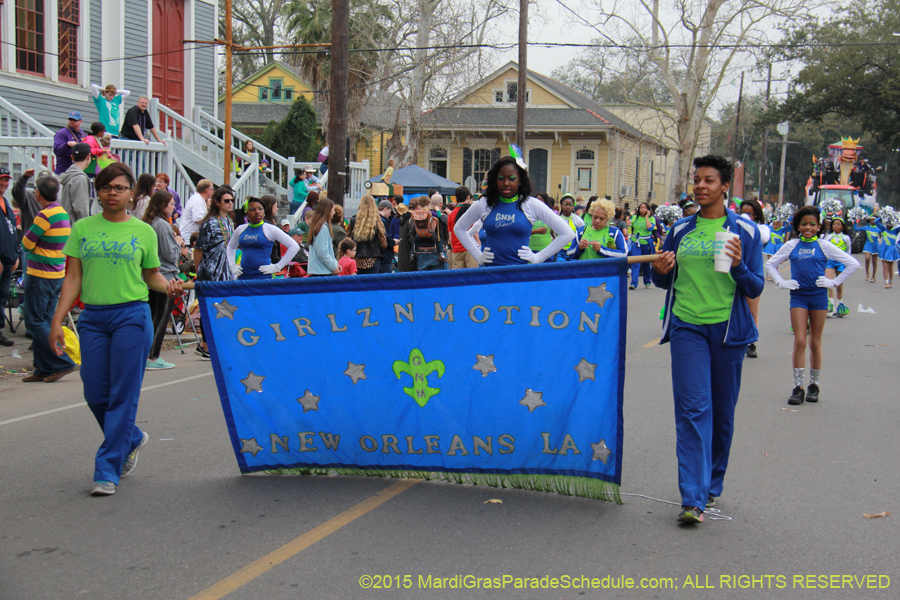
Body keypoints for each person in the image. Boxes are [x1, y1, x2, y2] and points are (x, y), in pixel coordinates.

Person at [49, 162, 183, 496]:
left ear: (131, 193)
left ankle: (107, 470)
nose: (113, 193)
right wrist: (56, 320)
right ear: (98, 190)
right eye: (107, 187)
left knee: (123, 394)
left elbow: (151, 274)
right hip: (93, 319)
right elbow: (73, 277)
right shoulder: (83, 229)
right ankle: (132, 437)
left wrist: (169, 286)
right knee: (95, 392)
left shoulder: (144, 231)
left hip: (131, 317)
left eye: (120, 187)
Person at [650, 155, 764, 524]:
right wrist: (659, 271)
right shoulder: (681, 230)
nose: (701, 186)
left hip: (728, 332)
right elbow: (665, 281)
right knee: (693, 410)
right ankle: (693, 498)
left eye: (709, 180)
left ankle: (712, 482)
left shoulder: (744, 232)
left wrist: (739, 266)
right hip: (687, 328)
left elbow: (756, 285)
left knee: (722, 415)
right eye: (697, 180)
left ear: (724, 186)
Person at [764, 206, 859, 406]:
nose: (808, 227)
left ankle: (813, 385)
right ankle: (798, 387)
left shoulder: (825, 245)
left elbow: (852, 264)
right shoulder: (791, 245)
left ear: (818, 226)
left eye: (812, 224)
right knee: (799, 341)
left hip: (818, 298)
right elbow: (770, 264)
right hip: (798, 297)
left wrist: (833, 282)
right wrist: (782, 282)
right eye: (804, 224)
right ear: (798, 226)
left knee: (815, 341)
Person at [453, 156, 573, 267]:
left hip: (520, 277)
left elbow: (567, 233)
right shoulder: (484, 204)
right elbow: (459, 228)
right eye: (501, 178)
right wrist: (477, 255)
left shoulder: (531, 204)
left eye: (511, 178)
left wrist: (538, 257)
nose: (506, 183)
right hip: (490, 276)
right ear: (495, 180)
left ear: (520, 180)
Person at [20, 171, 78, 380]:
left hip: (40, 275)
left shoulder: (45, 215)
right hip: (56, 275)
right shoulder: (61, 212)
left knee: (34, 322)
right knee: (44, 320)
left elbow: (27, 243)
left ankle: (62, 362)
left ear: (39, 194)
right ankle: (43, 367)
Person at [142, 190, 184, 370]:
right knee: (161, 317)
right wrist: (179, 243)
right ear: (162, 205)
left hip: (151, 275)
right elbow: (170, 253)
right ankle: (153, 356)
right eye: (171, 204)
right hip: (165, 275)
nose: (174, 207)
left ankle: (148, 354)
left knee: (153, 316)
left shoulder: (149, 223)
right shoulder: (163, 225)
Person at [194, 187, 236, 359]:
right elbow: (198, 249)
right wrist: (198, 271)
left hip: (225, 271)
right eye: (226, 201)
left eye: (232, 200)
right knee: (209, 308)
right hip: (210, 271)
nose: (230, 203)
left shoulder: (229, 221)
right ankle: (205, 345)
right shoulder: (209, 223)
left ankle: (217, 343)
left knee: (223, 308)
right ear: (217, 203)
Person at [226, 197, 299, 280]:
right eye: (252, 209)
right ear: (246, 213)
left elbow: (294, 246)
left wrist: (278, 267)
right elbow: (230, 247)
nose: (257, 212)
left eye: (260, 209)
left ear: (264, 212)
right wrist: (232, 265)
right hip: (243, 277)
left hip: (263, 278)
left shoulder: (270, 229)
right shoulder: (241, 229)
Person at [737, 197, 769, 359]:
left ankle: (751, 342)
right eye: (743, 212)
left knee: (752, 309)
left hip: (752, 270)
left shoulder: (761, 228)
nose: (745, 215)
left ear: (756, 215)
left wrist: (748, 223)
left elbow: (764, 238)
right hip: (735, 269)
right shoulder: (735, 225)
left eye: (749, 213)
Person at [0, 168, 21, 346]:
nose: (4, 184)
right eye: (1, 180)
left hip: (8, 258)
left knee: (2, 295)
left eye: (6, 181)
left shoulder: (5, 202)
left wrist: (16, 256)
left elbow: (12, 231)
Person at [351, 195, 388, 274]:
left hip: (356, 257)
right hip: (373, 257)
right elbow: (383, 243)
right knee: (371, 284)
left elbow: (348, 239)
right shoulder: (377, 221)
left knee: (359, 283)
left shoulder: (353, 220)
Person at [823, 217, 852, 317]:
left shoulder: (846, 238)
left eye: (838, 224)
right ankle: (831, 306)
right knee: (829, 283)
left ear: (842, 227)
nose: (836, 226)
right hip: (830, 262)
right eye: (834, 224)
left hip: (841, 262)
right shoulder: (828, 237)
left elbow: (848, 252)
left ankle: (840, 305)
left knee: (839, 285)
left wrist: (847, 262)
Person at [58, 142, 93, 223]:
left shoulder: (68, 175)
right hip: (75, 228)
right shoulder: (80, 178)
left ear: (72, 157)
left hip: (65, 224)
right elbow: (81, 208)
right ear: (88, 156)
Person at [448, 186, 480, 269]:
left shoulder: (451, 214)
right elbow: (475, 233)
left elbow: (450, 236)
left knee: (458, 278)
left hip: (456, 250)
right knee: (472, 278)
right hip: (470, 248)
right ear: (468, 197)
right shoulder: (469, 212)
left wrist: (454, 248)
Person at [306, 198, 340, 276]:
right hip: (321, 272)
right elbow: (322, 252)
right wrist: (334, 267)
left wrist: (335, 264)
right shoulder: (322, 227)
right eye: (333, 210)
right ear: (328, 211)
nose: (334, 212)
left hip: (320, 271)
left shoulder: (319, 226)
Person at [631, 202, 657, 287]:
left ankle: (647, 280)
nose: (643, 209)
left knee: (646, 262)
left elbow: (650, 228)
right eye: (641, 207)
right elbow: (631, 227)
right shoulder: (635, 217)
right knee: (635, 262)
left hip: (646, 242)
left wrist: (646, 217)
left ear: (648, 210)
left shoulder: (652, 218)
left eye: (645, 208)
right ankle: (634, 283)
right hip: (636, 242)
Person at [556, 194, 585, 261]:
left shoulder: (578, 220)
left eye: (570, 205)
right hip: (561, 251)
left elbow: (581, 235)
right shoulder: (557, 220)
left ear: (573, 206)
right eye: (565, 204)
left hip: (574, 251)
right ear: (561, 205)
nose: (568, 207)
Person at [873, 213, 899, 288]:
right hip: (884, 249)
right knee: (885, 266)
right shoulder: (883, 229)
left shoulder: (896, 230)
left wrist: (896, 218)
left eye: (890, 224)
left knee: (891, 266)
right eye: (887, 224)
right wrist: (883, 216)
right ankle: (886, 282)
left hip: (892, 249)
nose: (889, 226)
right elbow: (876, 222)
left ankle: (890, 281)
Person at [858, 217, 880, 283]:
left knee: (874, 261)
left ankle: (873, 276)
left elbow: (884, 229)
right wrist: (855, 220)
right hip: (868, 244)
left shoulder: (878, 228)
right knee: (867, 258)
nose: (872, 221)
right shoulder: (867, 227)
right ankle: (867, 273)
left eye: (874, 220)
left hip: (875, 245)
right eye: (871, 220)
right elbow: (855, 228)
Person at [378, 199, 397, 273]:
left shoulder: (374, 219)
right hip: (384, 257)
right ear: (385, 209)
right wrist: (394, 242)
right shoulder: (383, 222)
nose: (390, 214)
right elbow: (387, 240)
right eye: (390, 211)